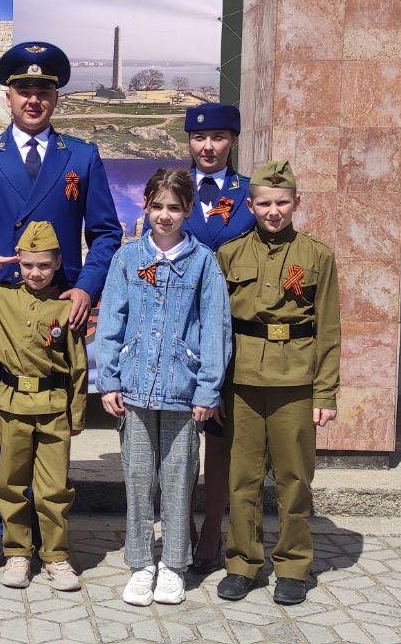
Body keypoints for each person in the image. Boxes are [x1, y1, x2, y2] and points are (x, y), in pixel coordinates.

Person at [0, 41, 122, 569]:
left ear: (56, 97)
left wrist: (86, 288)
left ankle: (49, 530)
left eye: (43, 90)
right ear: (9, 95)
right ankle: (0, 527)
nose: (33, 99)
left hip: (57, 314)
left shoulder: (80, 156)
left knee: (54, 423)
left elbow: (106, 233)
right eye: (24, 89)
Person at [93, 168, 232, 606]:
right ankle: (140, 563)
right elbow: (110, 322)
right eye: (157, 206)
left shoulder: (203, 262)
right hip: (134, 389)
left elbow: (215, 328)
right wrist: (108, 380)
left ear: (188, 210)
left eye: (174, 207)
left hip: (182, 392)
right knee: (137, 479)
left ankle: (173, 564)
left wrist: (208, 390)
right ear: (146, 207)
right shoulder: (128, 258)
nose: (164, 215)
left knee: (178, 480)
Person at [214, 159, 341, 607]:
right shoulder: (229, 255)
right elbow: (216, 327)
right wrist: (215, 388)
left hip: (295, 381)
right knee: (242, 479)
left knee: (294, 479)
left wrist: (326, 392)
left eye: (282, 202)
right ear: (250, 205)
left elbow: (328, 328)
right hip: (242, 381)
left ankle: (292, 566)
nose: (273, 211)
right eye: (264, 203)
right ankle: (243, 563)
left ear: (296, 202)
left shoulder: (317, 256)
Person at [0, 221, 88, 592]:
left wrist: (76, 415)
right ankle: (17, 553)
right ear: (17, 262)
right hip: (11, 406)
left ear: (58, 263)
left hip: (53, 407)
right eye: (27, 265)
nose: (35, 272)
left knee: (53, 488)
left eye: (44, 265)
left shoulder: (65, 306)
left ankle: (55, 556)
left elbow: (78, 365)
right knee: (10, 483)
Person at [179, 102, 256, 574]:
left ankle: (213, 527)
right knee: (179, 432)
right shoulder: (173, 189)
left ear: (233, 140)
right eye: (199, 138)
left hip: (233, 331)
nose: (208, 147)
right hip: (180, 330)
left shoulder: (249, 194)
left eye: (219, 138)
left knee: (220, 435)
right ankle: (181, 522)